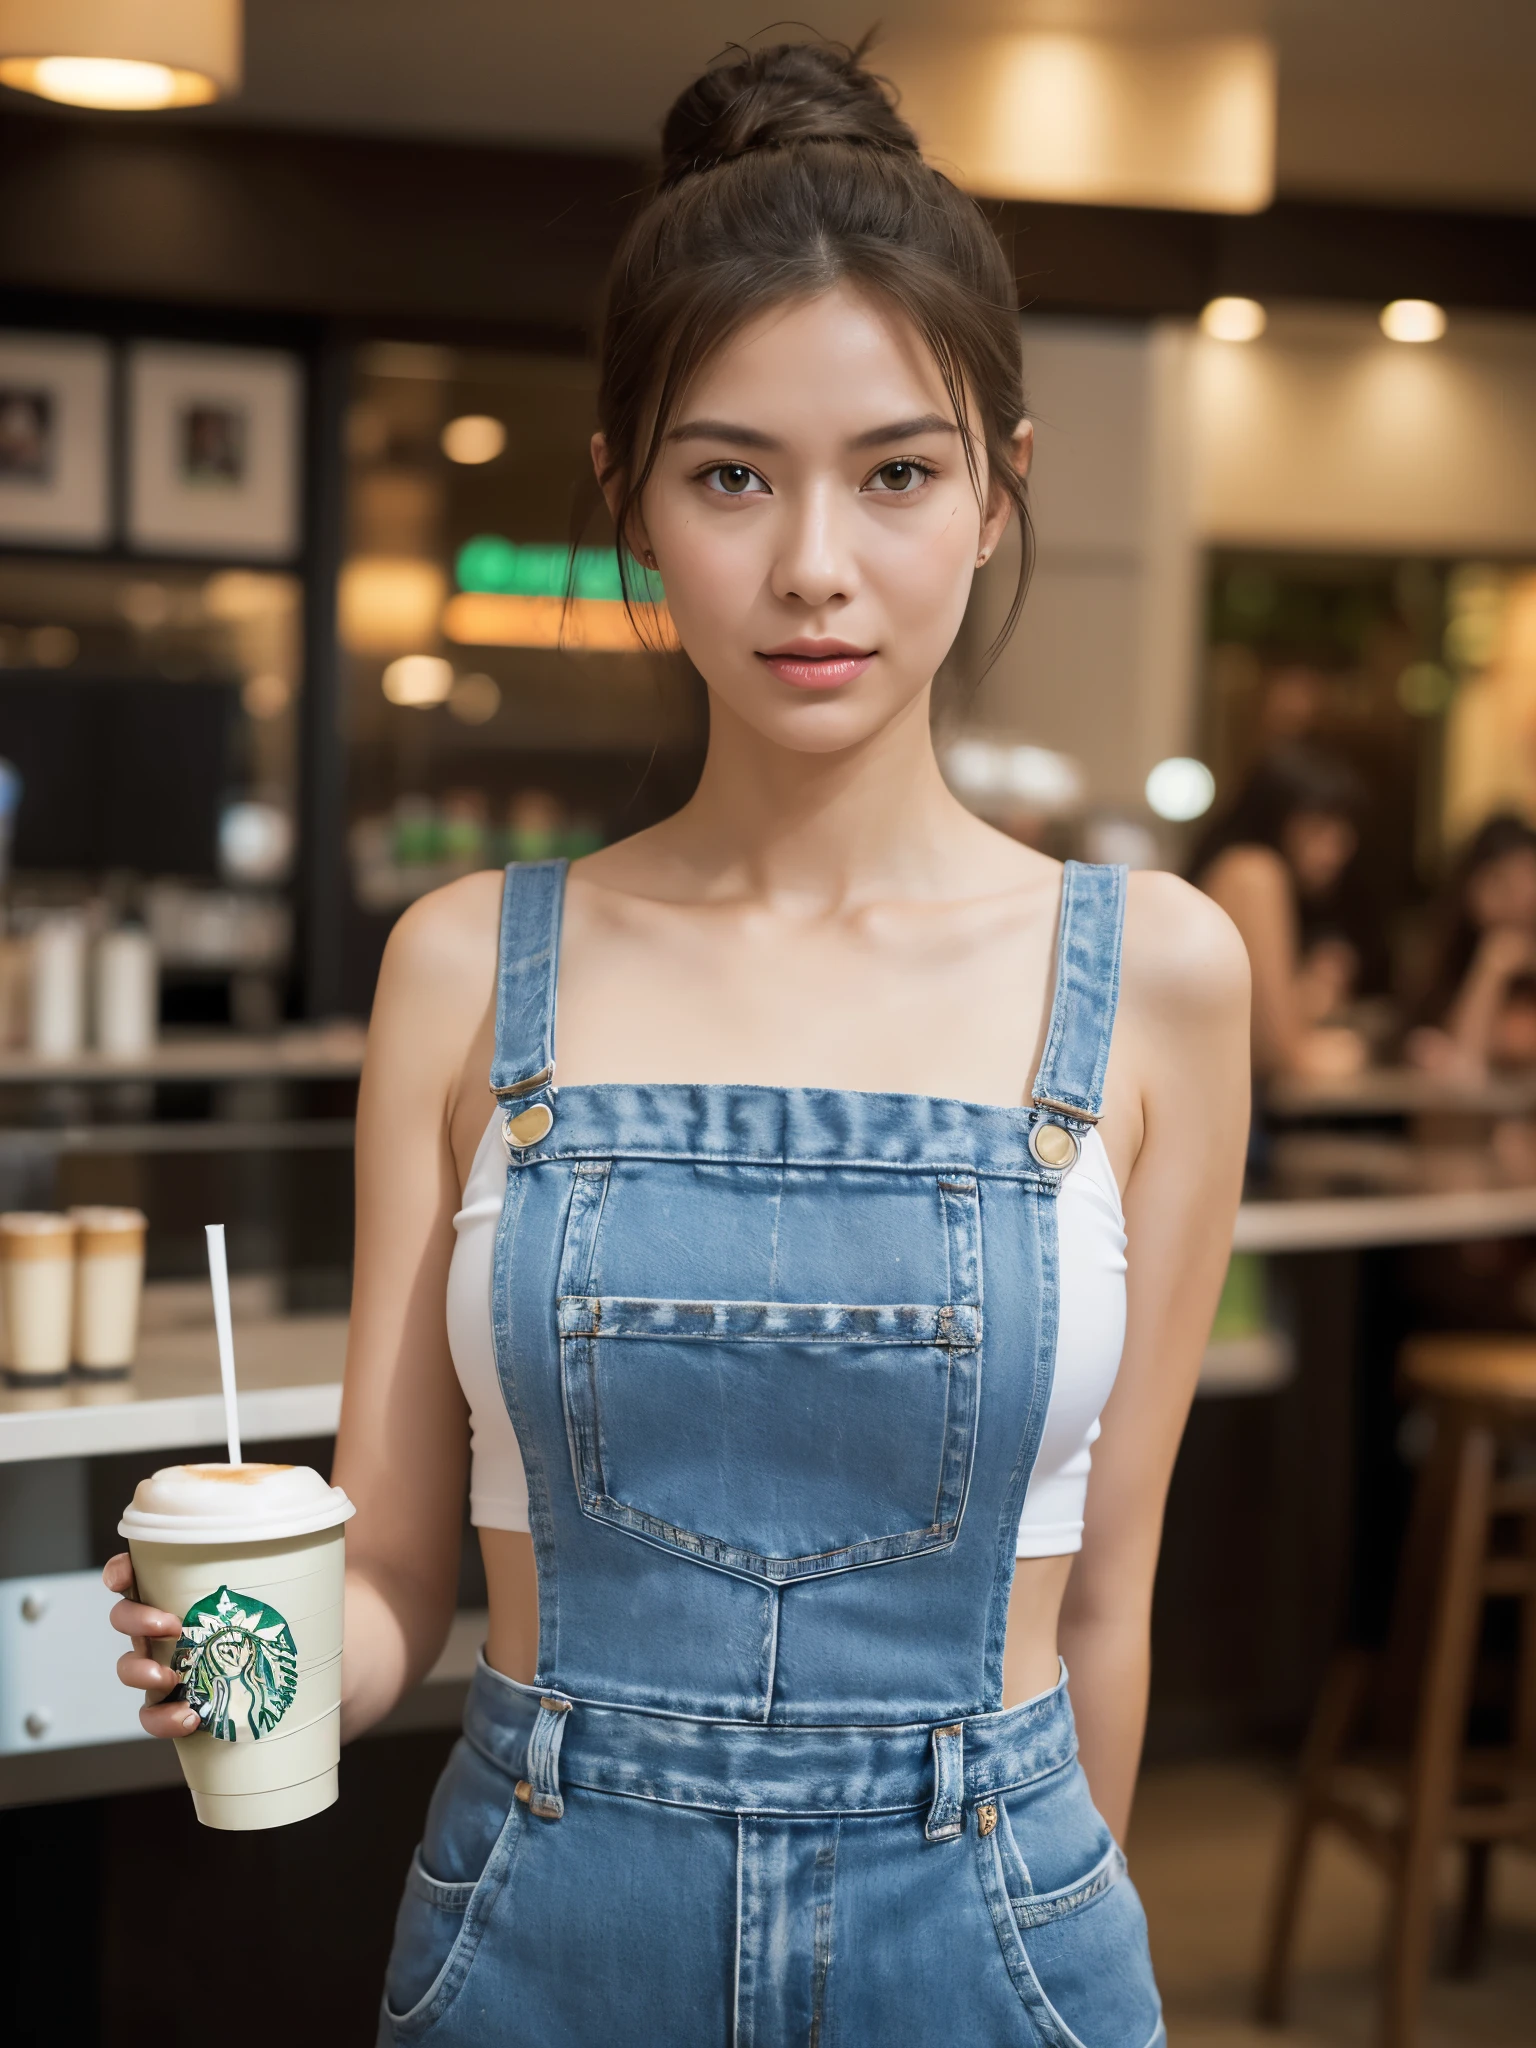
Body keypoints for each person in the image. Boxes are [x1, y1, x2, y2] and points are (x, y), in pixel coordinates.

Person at [105, 41, 1248, 2044]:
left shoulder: (1157, 972)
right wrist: (268, 1653)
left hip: (993, 1920)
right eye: (734, 474)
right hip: (548, 1915)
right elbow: (394, 1581)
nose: (816, 562)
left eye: (895, 471)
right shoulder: (468, 967)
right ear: (633, 494)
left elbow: (1106, 1602)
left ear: (997, 493)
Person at [1191, 744, 1367, 1079]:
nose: (1339, 847)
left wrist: (1312, 993)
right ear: (1276, 818)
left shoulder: (1236, 866)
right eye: (1319, 827)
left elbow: (1248, 1021)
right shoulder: (1254, 873)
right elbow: (1279, 1053)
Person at [1406, 813, 1536, 1079]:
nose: (1521, 900)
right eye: (1502, 883)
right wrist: (1491, 967)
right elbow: (1465, 1068)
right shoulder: (1445, 961)